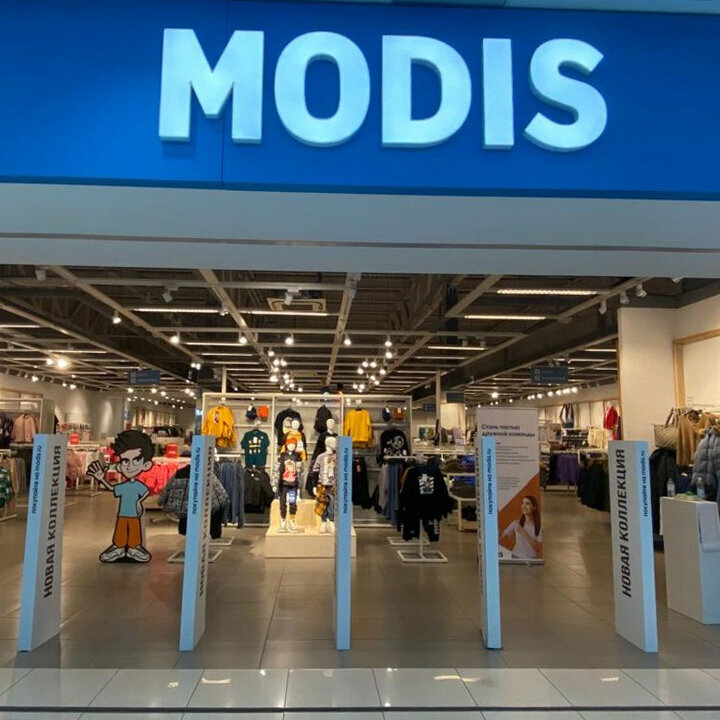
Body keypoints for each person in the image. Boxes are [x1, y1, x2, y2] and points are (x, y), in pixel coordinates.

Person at [87, 430, 154, 563]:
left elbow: (146, 492)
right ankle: (119, 548)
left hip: (134, 515)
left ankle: (134, 548)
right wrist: (101, 479)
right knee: (121, 530)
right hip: (123, 514)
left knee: (134, 531)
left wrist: (139, 502)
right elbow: (112, 488)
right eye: (125, 461)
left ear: (146, 465)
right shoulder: (124, 486)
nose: (129, 466)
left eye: (136, 460)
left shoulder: (138, 485)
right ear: (119, 466)